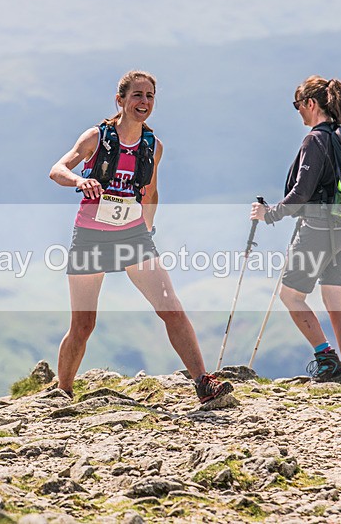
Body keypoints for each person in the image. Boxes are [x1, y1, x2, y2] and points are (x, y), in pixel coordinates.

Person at [49, 70, 232, 403]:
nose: (143, 102)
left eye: (149, 96)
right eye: (136, 95)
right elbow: (58, 169)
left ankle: (203, 382)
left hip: (133, 237)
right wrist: (80, 181)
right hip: (90, 236)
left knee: (171, 308)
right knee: (84, 324)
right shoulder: (97, 138)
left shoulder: (153, 146)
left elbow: (151, 193)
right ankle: (62, 391)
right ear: (120, 100)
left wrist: (147, 229)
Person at [250, 75, 341, 385]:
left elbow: (301, 193)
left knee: (291, 295)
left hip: (318, 230)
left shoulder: (316, 139)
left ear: (311, 104)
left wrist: (269, 214)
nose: (297, 110)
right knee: (336, 303)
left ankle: (327, 361)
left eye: (298, 104)